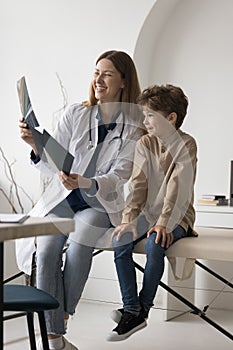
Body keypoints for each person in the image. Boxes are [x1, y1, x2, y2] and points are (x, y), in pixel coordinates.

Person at [16, 50, 145, 350]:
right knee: (46, 248)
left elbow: (119, 176)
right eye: (96, 72)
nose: (98, 79)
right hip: (65, 198)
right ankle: (55, 337)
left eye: (107, 73)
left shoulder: (133, 129)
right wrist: (37, 146)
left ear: (123, 81)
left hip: (99, 202)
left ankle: (57, 322)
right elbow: (56, 159)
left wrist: (84, 181)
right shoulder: (77, 113)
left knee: (79, 244)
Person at [107, 84, 198, 341]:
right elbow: (138, 185)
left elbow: (178, 187)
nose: (145, 121)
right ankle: (132, 308)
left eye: (151, 116)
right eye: (144, 115)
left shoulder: (187, 144)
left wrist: (165, 223)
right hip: (148, 214)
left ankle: (142, 310)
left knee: (155, 245)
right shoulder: (144, 142)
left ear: (171, 118)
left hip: (178, 216)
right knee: (120, 241)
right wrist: (128, 220)